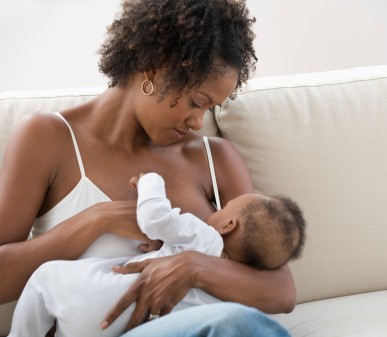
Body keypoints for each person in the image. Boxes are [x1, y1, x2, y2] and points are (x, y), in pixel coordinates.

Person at [0, 1, 297, 336]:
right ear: (153, 69)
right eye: (196, 102)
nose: (199, 122)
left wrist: (192, 267)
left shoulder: (216, 159)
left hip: (199, 328)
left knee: (237, 325)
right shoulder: (47, 137)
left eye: (211, 107)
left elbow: (282, 291)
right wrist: (97, 220)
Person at [8, 172, 306, 337]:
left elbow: (154, 217)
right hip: (126, 327)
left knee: (45, 278)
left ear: (228, 224)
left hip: (91, 301)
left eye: (222, 208)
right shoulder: (234, 290)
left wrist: (152, 181)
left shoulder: (206, 236)